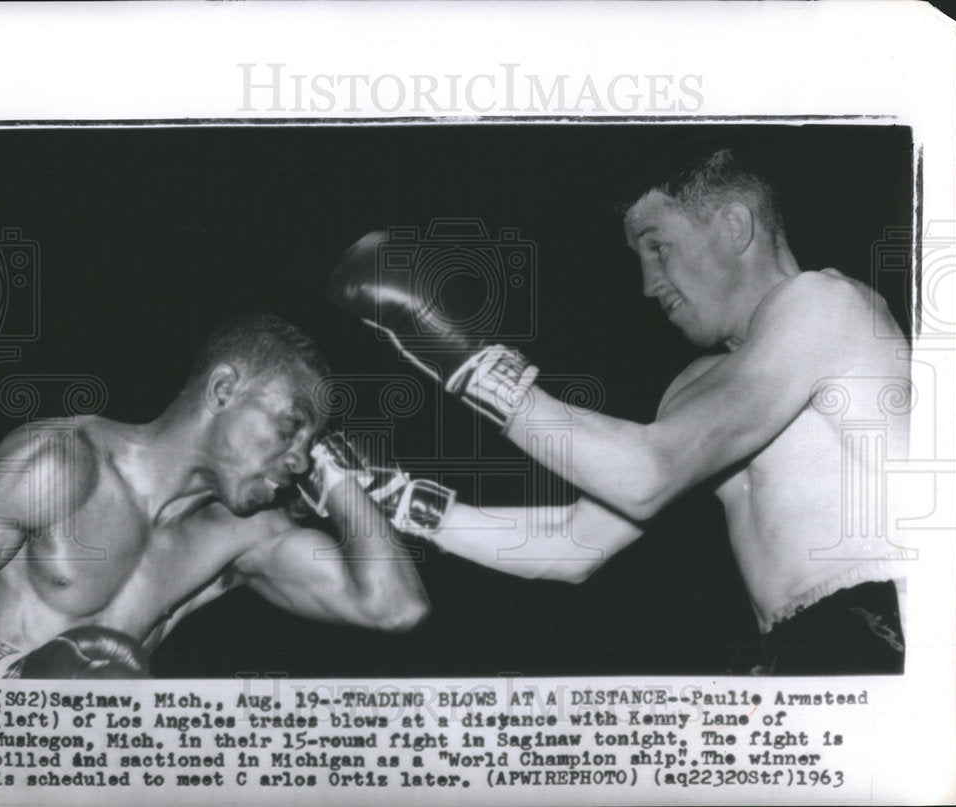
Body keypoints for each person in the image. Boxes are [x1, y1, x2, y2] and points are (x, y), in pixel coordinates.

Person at [329, 146, 912, 675]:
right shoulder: (697, 389)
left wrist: (457, 355)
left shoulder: (827, 305)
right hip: (789, 649)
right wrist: (396, 498)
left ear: (735, 225)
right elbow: (569, 546)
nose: (647, 283)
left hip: (885, 623)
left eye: (658, 247)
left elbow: (645, 474)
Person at [0, 313, 431, 678]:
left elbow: (394, 607)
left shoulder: (242, 535)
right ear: (223, 389)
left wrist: (336, 471)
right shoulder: (64, 465)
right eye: (290, 427)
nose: (301, 461)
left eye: (312, 445)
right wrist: (5, 682)